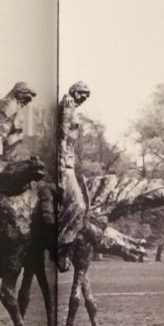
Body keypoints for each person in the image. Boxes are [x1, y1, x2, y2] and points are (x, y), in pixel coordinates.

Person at [56, 81, 90, 272]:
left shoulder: (70, 104)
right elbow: (61, 134)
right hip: (64, 163)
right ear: (74, 92)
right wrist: (62, 167)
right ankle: (62, 247)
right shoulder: (68, 103)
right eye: (83, 93)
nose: (85, 98)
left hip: (69, 161)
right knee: (78, 206)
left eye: (88, 95)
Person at [0, 81, 37, 163]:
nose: (26, 103)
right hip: (7, 152)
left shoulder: (10, 104)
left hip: (8, 151)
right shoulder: (9, 106)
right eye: (26, 99)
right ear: (19, 94)